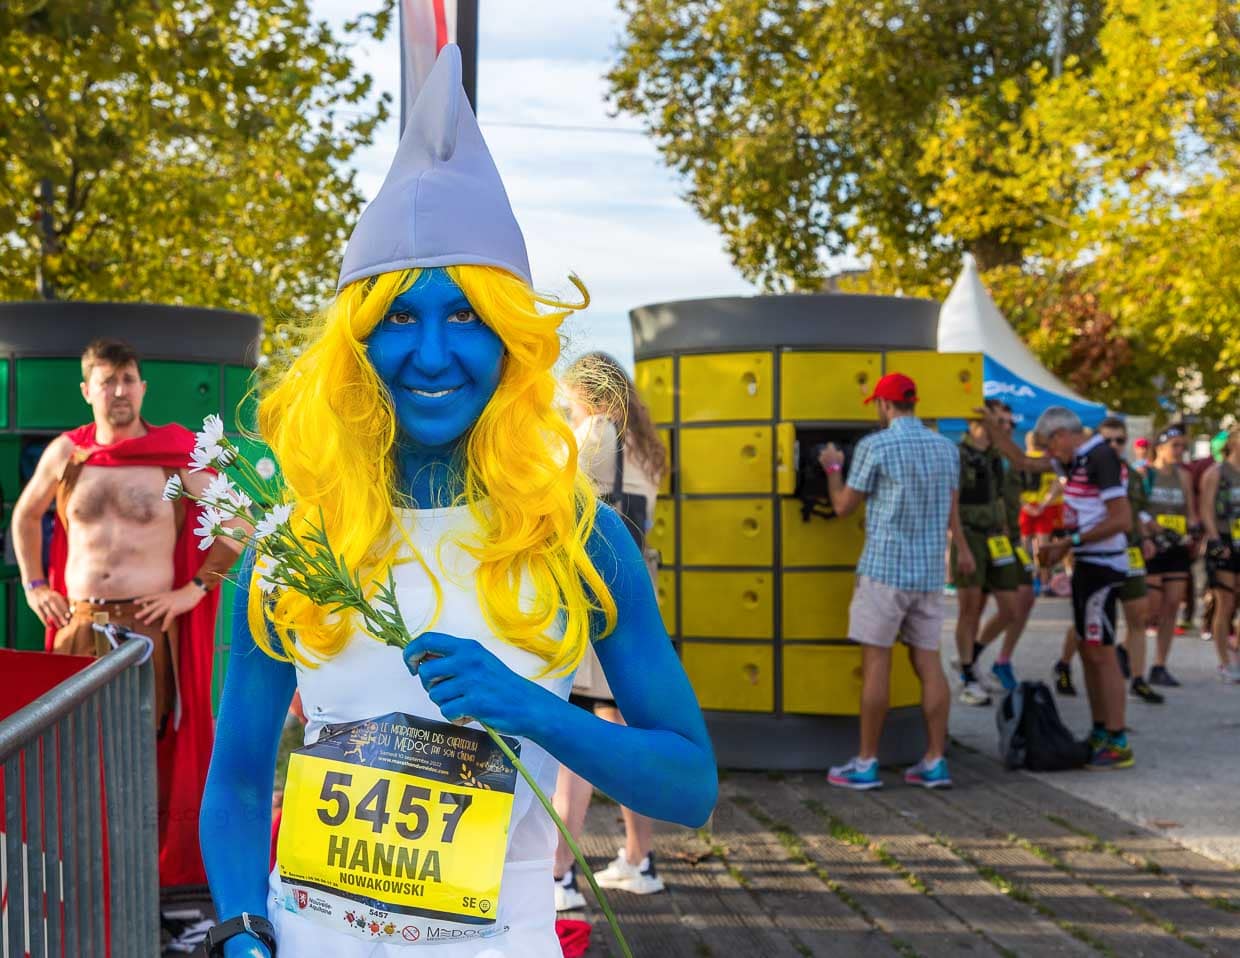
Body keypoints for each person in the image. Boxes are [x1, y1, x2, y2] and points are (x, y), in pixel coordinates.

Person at [198, 46, 716, 958]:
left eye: (466, 316)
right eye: (399, 317)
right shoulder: (291, 545)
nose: (431, 354)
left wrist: (535, 710)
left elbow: (690, 784)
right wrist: (243, 930)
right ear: (355, 347)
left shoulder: (580, 538)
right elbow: (238, 781)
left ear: (512, 344)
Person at [11, 337, 243, 891]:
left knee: (138, 756)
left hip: (144, 628)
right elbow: (25, 517)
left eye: (128, 379)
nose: (119, 390)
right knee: (67, 754)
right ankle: (74, 883)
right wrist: (34, 584)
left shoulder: (174, 452)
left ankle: (139, 887)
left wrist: (192, 590)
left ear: (143, 387)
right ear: (88, 389)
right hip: (79, 623)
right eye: (107, 380)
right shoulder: (70, 452)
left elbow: (237, 520)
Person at [552, 352, 667, 909]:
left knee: (573, 739)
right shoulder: (645, 446)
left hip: (590, 602)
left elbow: (554, 502)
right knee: (623, 733)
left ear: (588, 396)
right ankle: (639, 859)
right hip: (635, 598)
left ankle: (558, 875)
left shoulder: (592, 434)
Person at [818, 372, 961, 791]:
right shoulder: (946, 448)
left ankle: (866, 763)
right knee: (929, 665)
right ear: (914, 402)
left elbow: (843, 506)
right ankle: (935, 760)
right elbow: (952, 510)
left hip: (884, 572)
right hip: (930, 573)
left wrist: (832, 467)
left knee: (876, 663)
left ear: (884, 405)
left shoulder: (876, 445)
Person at [982, 405, 1134, 770]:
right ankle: (1101, 729)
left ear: (1064, 434)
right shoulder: (1072, 460)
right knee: (1086, 647)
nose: (1050, 455)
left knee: (1101, 651)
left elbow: (1121, 518)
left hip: (1103, 565)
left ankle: (1117, 738)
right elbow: (1022, 461)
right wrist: (993, 429)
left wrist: (1070, 541)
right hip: (1086, 562)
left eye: (1051, 445)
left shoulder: (1100, 457)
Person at [1052, 418, 1163, 705]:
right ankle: (1065, 663)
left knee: (1138, 614)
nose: (1114, 445)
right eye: (1109, 440)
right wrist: (1069, 543)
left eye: (1120, 440)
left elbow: (1137, 512)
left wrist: (1149, 536)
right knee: (1092, 622)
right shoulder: (1086, 465)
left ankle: (1138, 678)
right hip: (1097, 552)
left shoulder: (1132, 474)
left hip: (1129, 549)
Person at [952, 400, 1023, 705]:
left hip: (998, 536)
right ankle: (969, 675)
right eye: (996, 421)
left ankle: (973, 656)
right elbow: (951, 504)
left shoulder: (998, 456)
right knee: (970, 609)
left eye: (1006, 423)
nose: (1003, 427)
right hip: (969, 534)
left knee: (1011, 608)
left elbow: (1003, 497)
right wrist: (962, 547)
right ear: (974, 422)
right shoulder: (958, 455)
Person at [974, 402, 1036, 693]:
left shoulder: (1010, 456)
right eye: (1002, 422)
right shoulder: (979, 455)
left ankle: (999, 659)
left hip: (1009, 540)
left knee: (1025, 597)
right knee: (978, 605)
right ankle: (968, 663)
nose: (1009, 427)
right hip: (984, 537)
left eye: (1010, 422)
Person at [1143, 424, 1199, 687]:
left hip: (1177, 545)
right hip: (1153, 545)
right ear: (1161, 446)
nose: (1180, 451)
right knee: (1150, 607)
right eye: (1175, 446)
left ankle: (1159, 664)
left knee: (1173, 603)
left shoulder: (1183, 476)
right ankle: (1127, 652)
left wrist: (1195, 532)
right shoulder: (1146, 474)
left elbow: (1190, 510)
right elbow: (1137, 510)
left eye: (1183, 447)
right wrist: (1149, 532)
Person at [1199, 427, 1240, 681]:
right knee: (1224, 602)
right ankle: (1225, 661)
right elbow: (1206, 510)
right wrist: (1215, 540)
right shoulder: (1216, 473)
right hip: (1224, 540)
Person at [1017, 431, 1064, 592]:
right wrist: (1043, 505)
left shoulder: (1021, 460)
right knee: (1043, 546)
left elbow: (1014, 486)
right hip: (1045, 507)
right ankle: (1044, 582)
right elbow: (1057, 485)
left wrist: (1025, 506)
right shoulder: (1049, 462)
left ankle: (1025, 580)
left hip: (1026, 506)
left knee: (1024, 545)